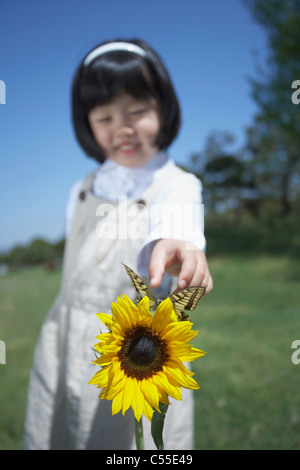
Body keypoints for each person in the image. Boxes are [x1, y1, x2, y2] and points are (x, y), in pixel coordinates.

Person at [24, 38, 213, 450]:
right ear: (86, 123)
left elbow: (176, 220)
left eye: (138, 111)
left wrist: (177, 244)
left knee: (129, 443)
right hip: (66, 334)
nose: (122, 128)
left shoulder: (175, 184)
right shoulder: (82, 189)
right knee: (56, 428)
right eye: (104, 117)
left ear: (164, 108)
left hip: (140, 351)